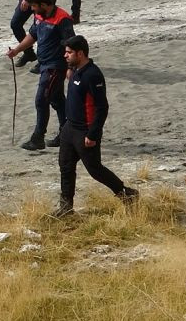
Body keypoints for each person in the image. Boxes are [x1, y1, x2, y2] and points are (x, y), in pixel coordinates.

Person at [56, 35, 138, 216]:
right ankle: (65, 207)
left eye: (69, 53)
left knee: (95, 170)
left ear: (80, 53)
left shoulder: (93, 75)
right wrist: (70, 68)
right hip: (69, 129)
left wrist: (92, 134)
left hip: (85, 130)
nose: (65, 55)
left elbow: (102, 107)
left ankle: (127, 194)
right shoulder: (76, 69)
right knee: (65, 166)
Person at [6, 0, 73, 151]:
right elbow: (33, 36)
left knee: (41, 100)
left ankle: (38, 138)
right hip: (44, 65)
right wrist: (17, 50)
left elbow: (71, 44)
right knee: (57, 100)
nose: (32, 9)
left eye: (34, 6)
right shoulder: (39, 15)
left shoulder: (62, 19)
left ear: (44, 4)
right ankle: (66, 134)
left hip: (55, 67)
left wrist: (71, 68)